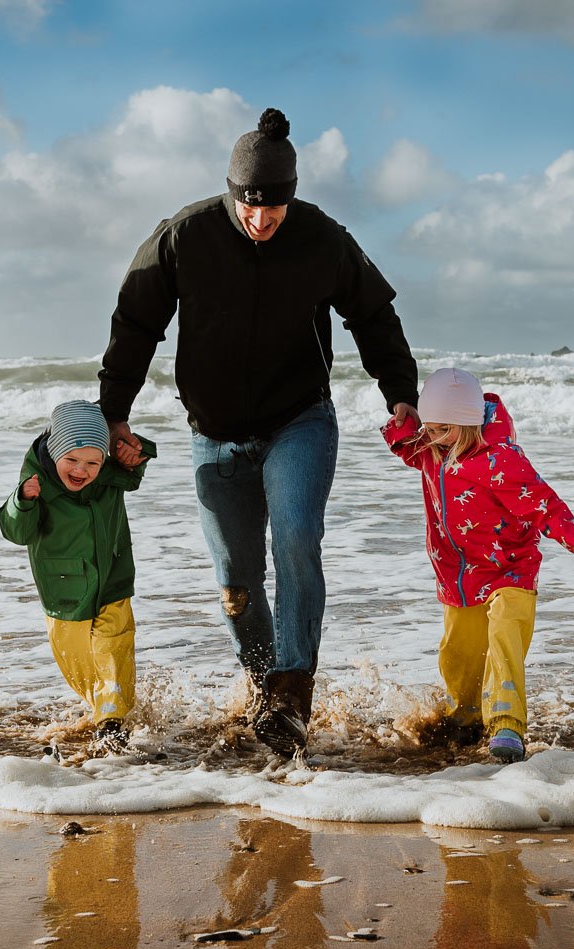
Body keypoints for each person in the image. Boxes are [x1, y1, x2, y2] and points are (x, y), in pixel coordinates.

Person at [99, 107, 419, 757]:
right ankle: (264, 684)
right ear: (232, 192)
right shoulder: (185, 235)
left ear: (290, 197)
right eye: (249, 205)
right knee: (235, 577)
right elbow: (136, 322)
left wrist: (401, 396)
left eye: (273, 208)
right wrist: (115, 411)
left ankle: (293, 692)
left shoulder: (322, 238)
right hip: (214, 435)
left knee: (297, 538)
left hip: (298, 420)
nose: (260, 219)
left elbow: (373, 315)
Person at [381, 367, 574, 763]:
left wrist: (571, 535)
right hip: (458, 575)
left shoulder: (500, 459)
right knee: (458, 655)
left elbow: (540, 500)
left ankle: (507, 724)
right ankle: (463, 720)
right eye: (428, 426)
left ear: (467, 424)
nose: (431, 435)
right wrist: (402, 416)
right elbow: (404, 444)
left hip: (511, 567)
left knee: (504, 639)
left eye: (442, 428)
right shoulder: (430, 448)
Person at [0, 400, 154, 754]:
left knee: (115, 646)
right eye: (72, 460)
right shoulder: (36, 484)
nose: (82, 470)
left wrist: (134, 453)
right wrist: (22, 502)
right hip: (64, 589)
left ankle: (111, 724)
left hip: (113, 576)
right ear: (54, 454)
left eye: (92, 462)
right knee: (80, 664)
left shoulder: (108, 476)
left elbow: (132, 471)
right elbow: (16, 532)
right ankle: (103, 707)